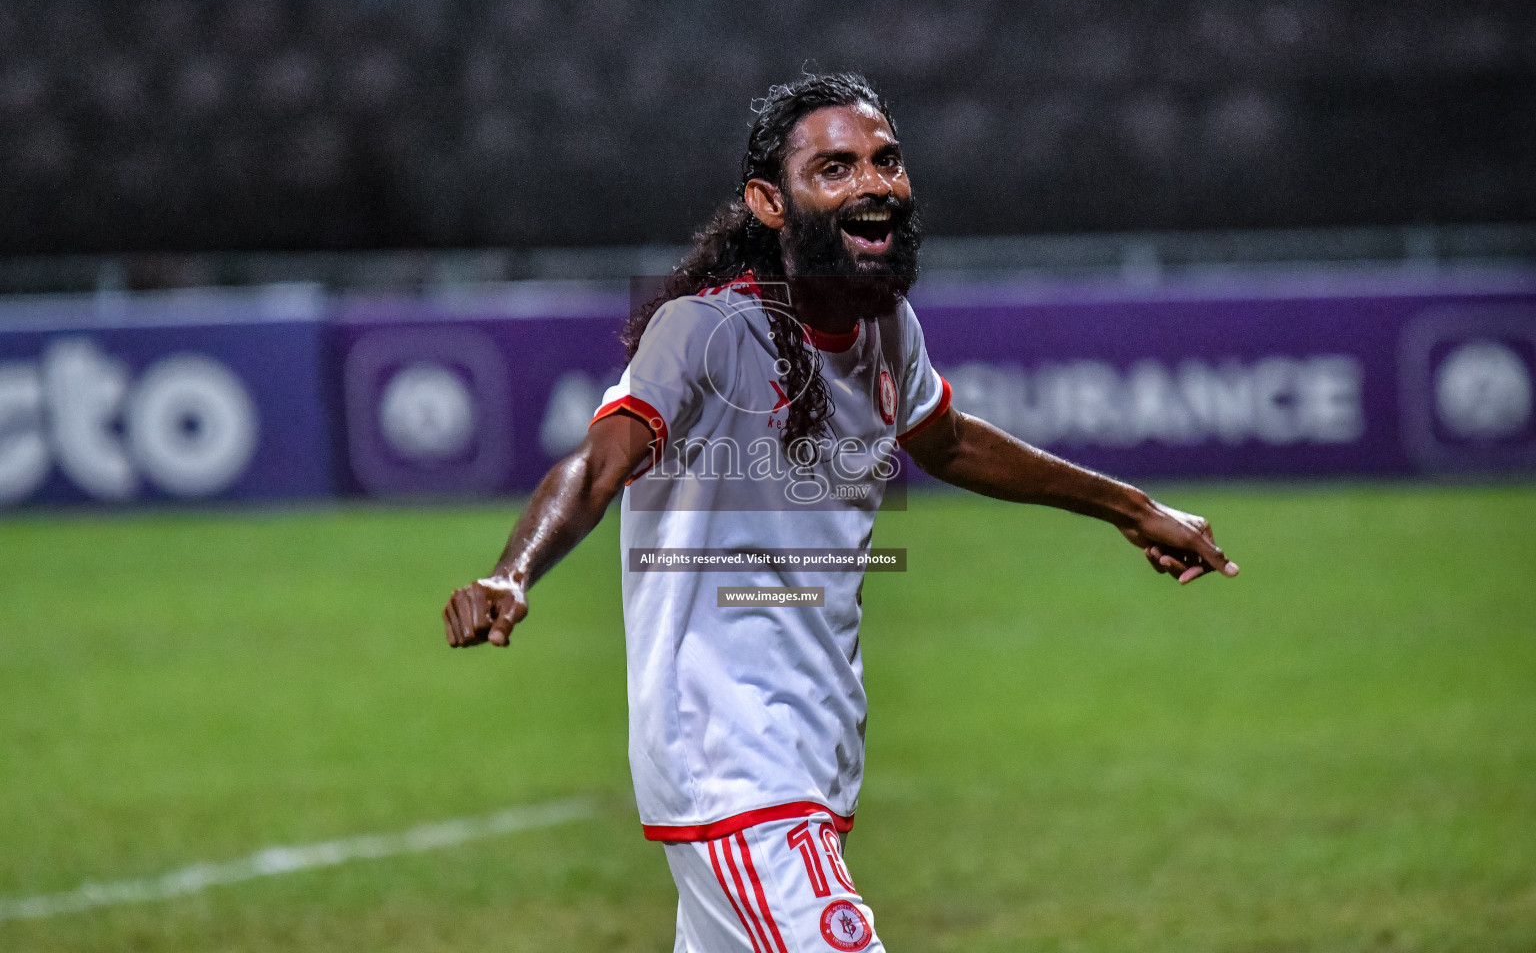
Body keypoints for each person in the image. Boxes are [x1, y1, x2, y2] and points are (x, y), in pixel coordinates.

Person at [441, 72, 1239, 953]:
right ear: (769, 202)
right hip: (735, 763)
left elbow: (951, 442)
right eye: (835, 167)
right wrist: (511, 571)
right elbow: (598, 465)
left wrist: (1131, 509)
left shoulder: (886, 327)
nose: (872, 183)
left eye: (885, 160)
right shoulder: (706, 332)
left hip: (807, 756)